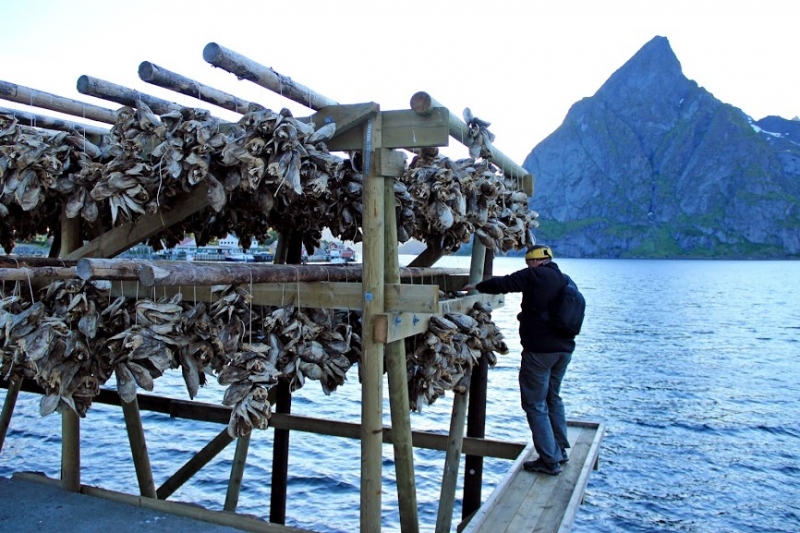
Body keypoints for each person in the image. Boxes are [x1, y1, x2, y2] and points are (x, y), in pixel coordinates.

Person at [463, 244, 575, 475]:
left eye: (528, 262)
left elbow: (505, 283)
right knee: (553, 397)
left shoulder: (534, 275)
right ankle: (560, 450)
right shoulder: (564, 279)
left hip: (539, 352)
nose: (528, 266)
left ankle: (549, 460)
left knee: (534, 404)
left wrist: (477, 286)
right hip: (563, 351)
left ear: (533, 262)